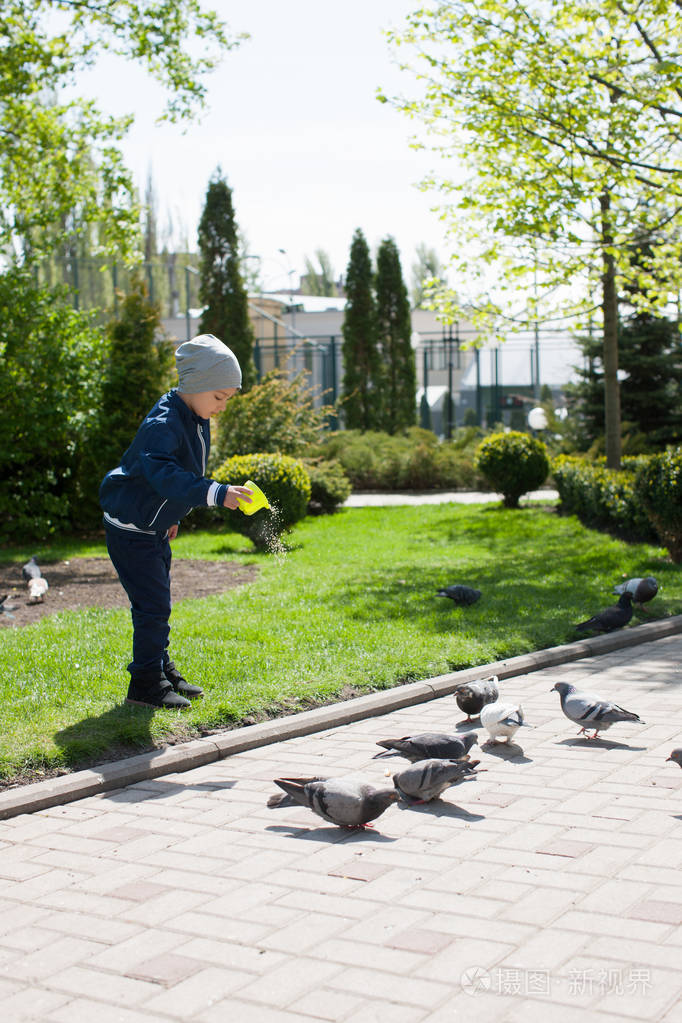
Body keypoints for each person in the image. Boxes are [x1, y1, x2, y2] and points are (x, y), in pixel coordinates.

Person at [99, 333, 253, 709]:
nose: (222, 407)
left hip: (152, 525)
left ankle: (159, 666)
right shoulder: (165, 421)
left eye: (227, 400)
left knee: (158, 602)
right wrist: (217, 493)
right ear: (196, 383)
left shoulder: (193, 413)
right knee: (153, 605)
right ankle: (145, 684)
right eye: (219, 397)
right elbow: (164, 475)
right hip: (131, 528)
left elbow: (178, 475)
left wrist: (170, 515)